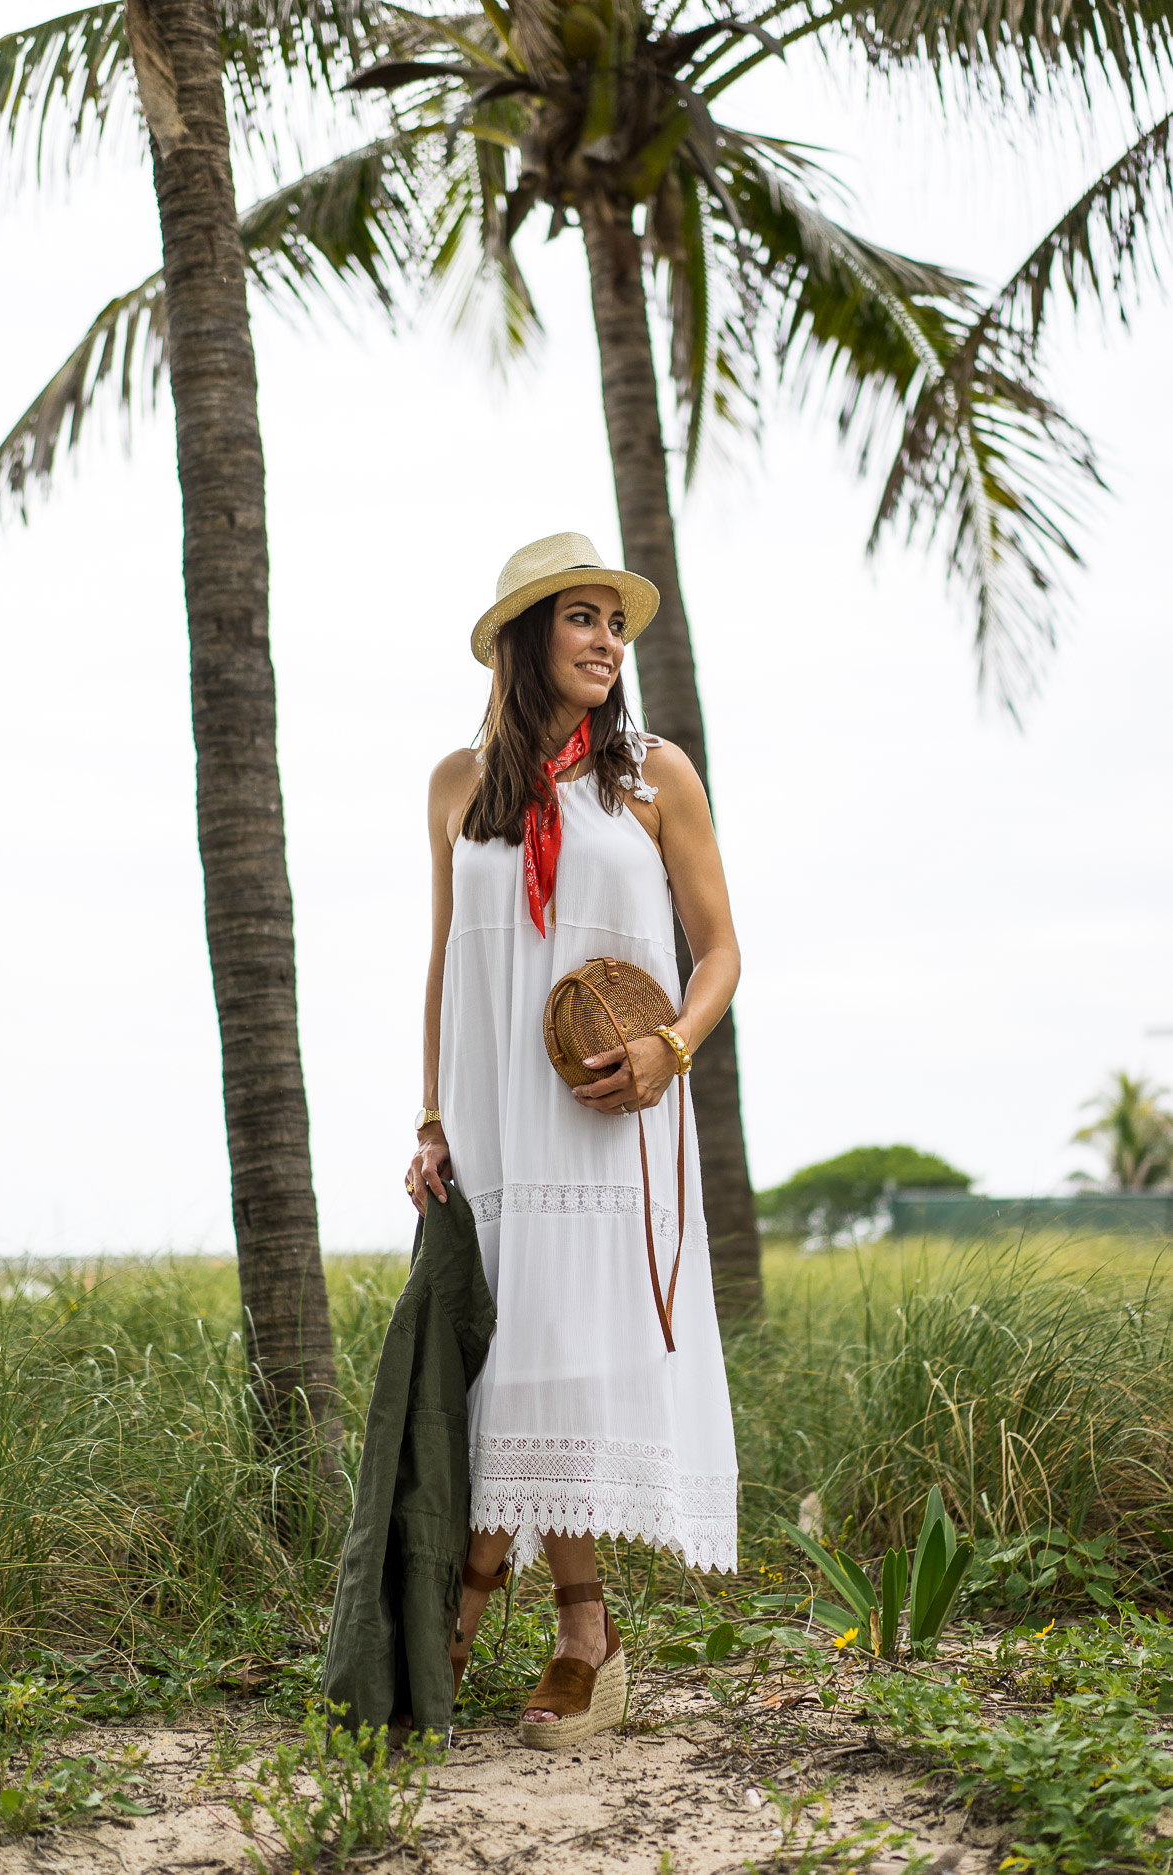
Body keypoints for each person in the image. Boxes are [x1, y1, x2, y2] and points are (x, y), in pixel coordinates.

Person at [406, 532, 739, 1749]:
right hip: (495, 1119)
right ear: (525, 637)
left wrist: (671, 1048)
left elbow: (718, 951)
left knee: (568, 1358)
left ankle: (473, 1606)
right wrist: (433, 1115)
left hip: (612, 1118)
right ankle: (583, 1627)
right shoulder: (457, 783)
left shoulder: (652, 776)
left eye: (617, 623)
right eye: (582, 619)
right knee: (515, 1363)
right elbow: (448, 963)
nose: (607, 643)